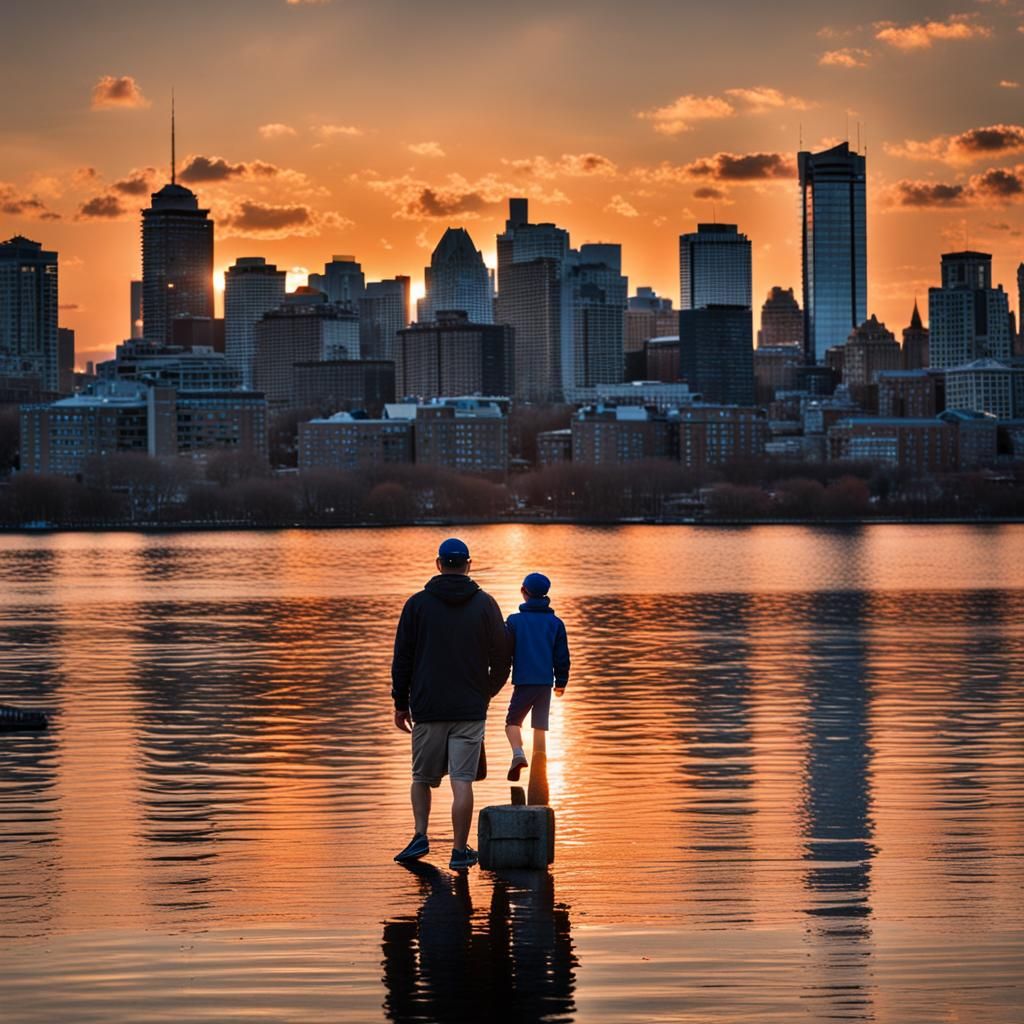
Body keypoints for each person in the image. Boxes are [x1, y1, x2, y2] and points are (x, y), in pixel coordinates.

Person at [392, 538, 511, 870]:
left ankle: (420, 835)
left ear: (438, 564)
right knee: (462, 781)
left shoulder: (416, 605)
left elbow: (402, 659)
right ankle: (459, 851)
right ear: (468, 565)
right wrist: (485, 692)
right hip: (469, 709)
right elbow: (503, 658)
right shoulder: (486, 604)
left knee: (421, 777)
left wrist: (401, 704)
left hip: (428, 707)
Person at [504, 572, 570, 781]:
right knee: (540, 726)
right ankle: (539, 770)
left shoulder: (514, 621)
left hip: (523, 682)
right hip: (544, 683)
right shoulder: (555, 623)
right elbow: (562, 657)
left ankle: (518, 754)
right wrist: (561, 682)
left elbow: (505, 651)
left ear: (524, 593)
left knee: (513, 722)